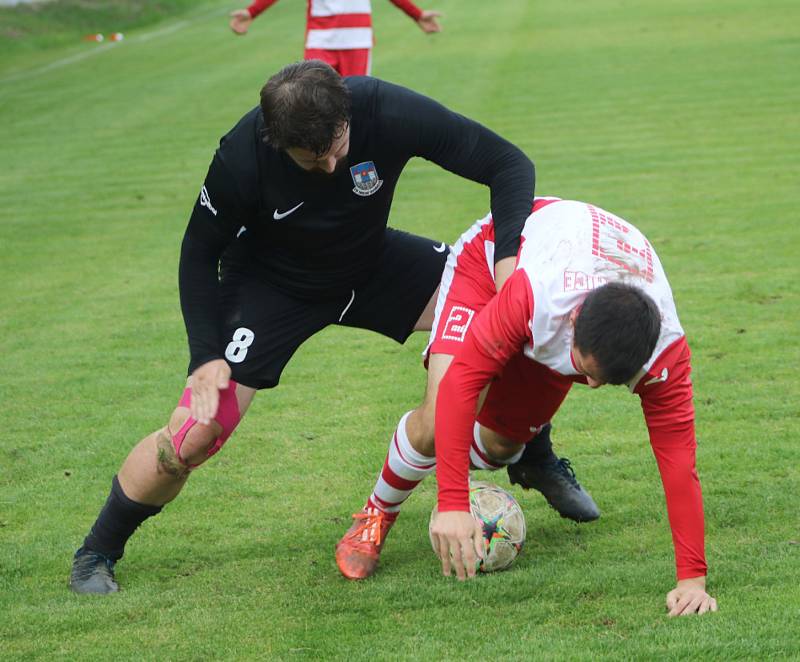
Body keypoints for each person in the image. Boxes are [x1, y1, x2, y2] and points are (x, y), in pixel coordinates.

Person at [68, 59, 536, 594]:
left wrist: (508, 255)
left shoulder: (383, 107)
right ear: (276, 141)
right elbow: (197, 254)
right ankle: (95, 553)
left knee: (506, 321)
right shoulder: (242, 157)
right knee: (191, 438)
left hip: (372, 264)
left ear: (346, 112)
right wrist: (205, 356)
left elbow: (507, 162)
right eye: (314, 161)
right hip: (271, 287)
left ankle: (533, 454)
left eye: (339, 146)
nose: (334, 166)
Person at [336, 197, 718, 617]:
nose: (588, 385)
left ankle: (532, 453)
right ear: (573, 322)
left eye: (603, 382)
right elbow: (464, 382)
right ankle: (377, 513)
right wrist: (452, 502)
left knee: (500, 446)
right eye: (585, 370)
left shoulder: (666, 356)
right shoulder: (536, 295)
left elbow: (679, 463)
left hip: (571, 299)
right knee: (435, 420)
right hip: (495, 261)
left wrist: (692, 580)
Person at [229, 0, 442, 76]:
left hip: (356, 41)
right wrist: (252, 12)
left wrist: (418, 15)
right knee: (314, 99)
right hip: (320, 41)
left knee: (355, 105)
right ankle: (317, 164)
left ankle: (352, 163)